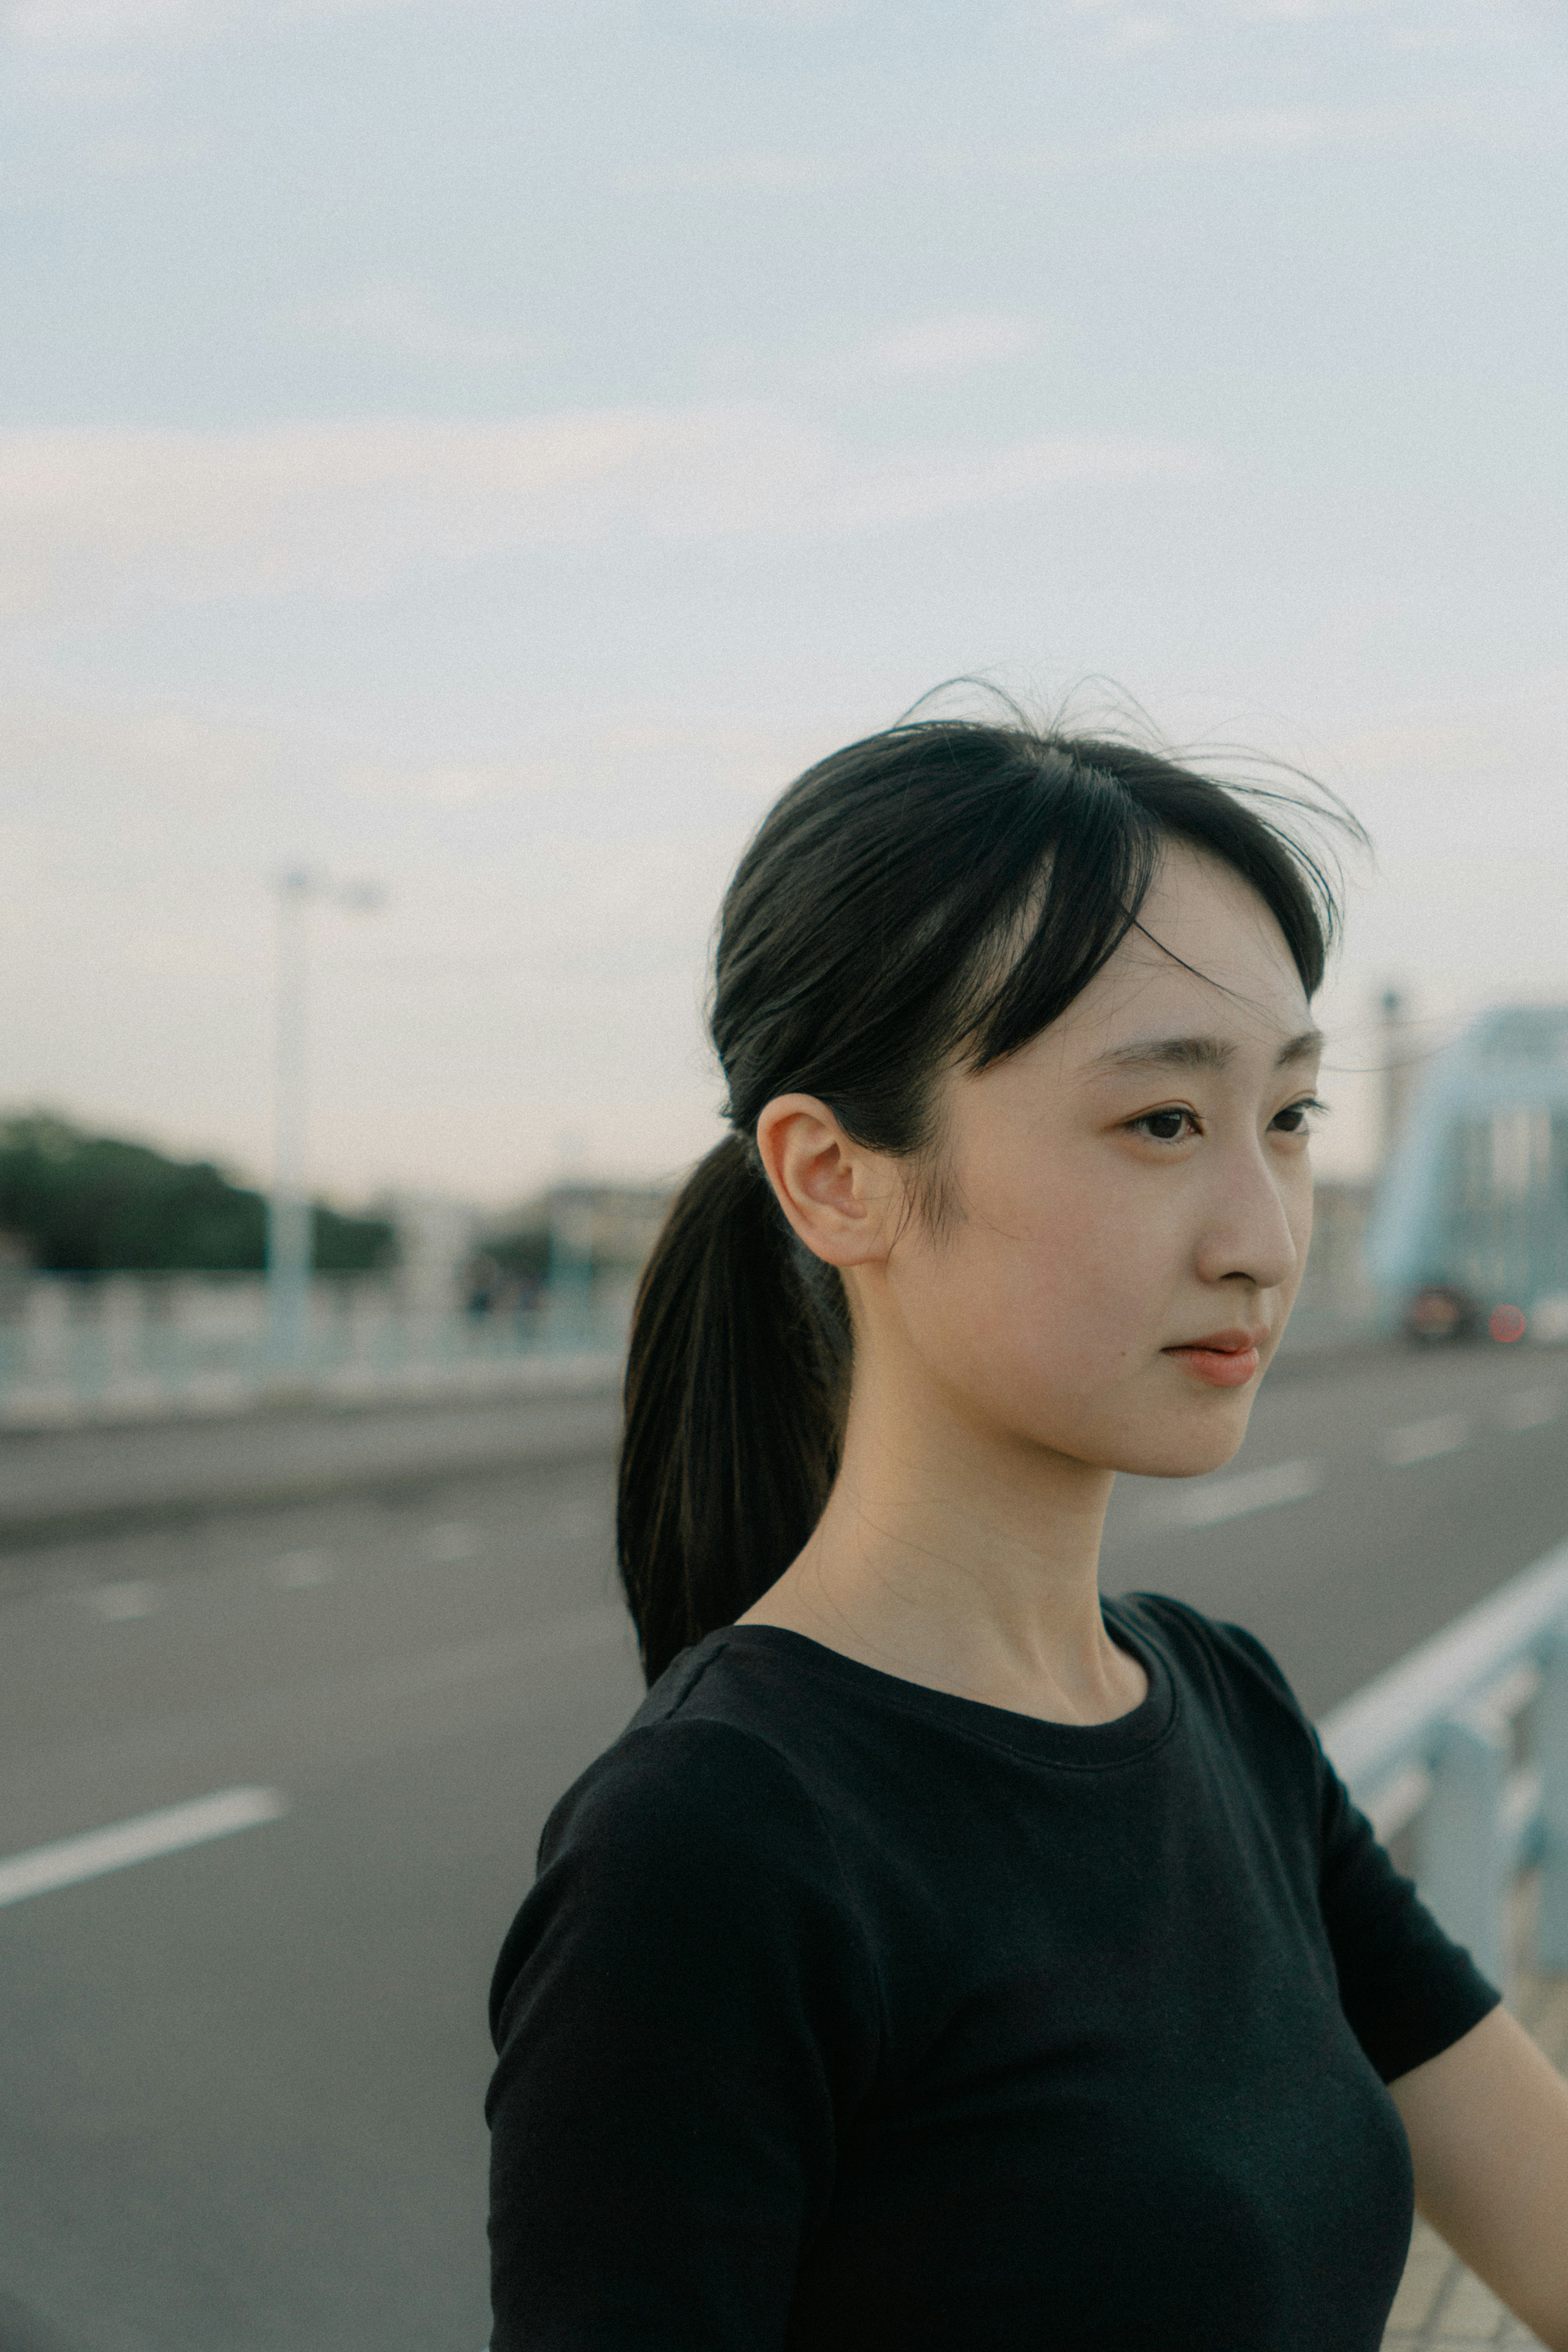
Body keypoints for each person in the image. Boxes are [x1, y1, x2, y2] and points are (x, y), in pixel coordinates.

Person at [486, 712, 1568, 2350]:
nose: (1264, 1242)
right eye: (1160, 1124)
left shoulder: (1221, 1709)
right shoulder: (715, 1851)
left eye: (1285, 1118)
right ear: (835, 1178)